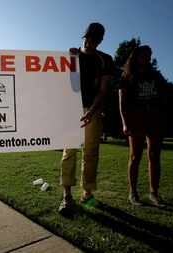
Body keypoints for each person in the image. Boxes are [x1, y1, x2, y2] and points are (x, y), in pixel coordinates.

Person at [58, 23, 114, 215]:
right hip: (70, 109)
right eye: (88, 38)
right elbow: (59, 82)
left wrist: (92, 110)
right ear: (83, 36)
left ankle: (87, 193)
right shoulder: (71, 56)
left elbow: (104, 89)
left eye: (96, 39)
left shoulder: (105, 59)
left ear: (101, 40)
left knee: (91, 152)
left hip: (93, 109)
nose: (91, 42)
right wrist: (68, 59)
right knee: (69, 151)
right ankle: (66, 196)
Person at [118, 45, 166, 206]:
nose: (148, 57)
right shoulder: (127, 76)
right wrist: (125, 123)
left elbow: (163, 96)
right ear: (137, 56)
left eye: (150, 54)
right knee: (135, 156)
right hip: (136, 121)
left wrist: (160, 115)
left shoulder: (155, 75)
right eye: (145, 54)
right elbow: (122, 103)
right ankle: (133, 193)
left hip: (154, 121)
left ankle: (154, 193)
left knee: (154, 156)